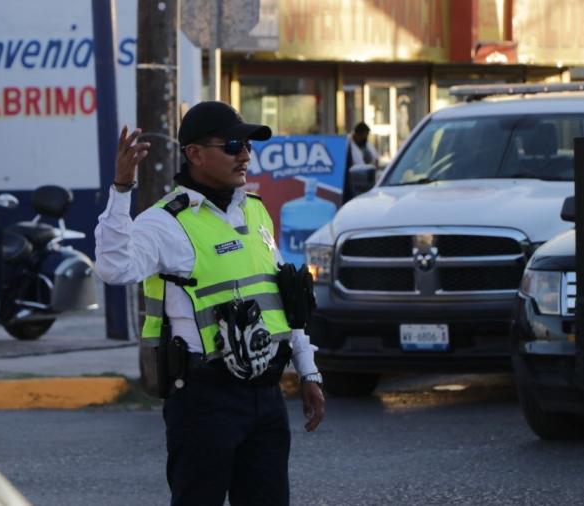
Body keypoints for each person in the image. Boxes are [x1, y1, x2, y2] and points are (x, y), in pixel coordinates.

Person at [94, 101, 325, 506]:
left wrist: (308, 371)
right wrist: (121, 190)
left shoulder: (256, 212)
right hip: (204, 400)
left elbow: (285, 301)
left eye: (248, 146)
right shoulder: (165, 222)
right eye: (233, 144)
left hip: (266, 397)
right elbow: (114, 269)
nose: (244, 155)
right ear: (195, 154)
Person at [343, 121, 380, 202]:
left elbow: (375, 158)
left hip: (368, 181)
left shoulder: (366, 144)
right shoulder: (347, 144)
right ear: (358, 134)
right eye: (364, 135)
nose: (365, 138)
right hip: (353, 183)